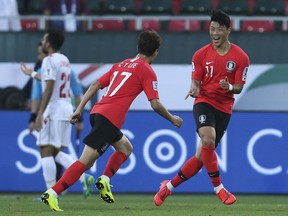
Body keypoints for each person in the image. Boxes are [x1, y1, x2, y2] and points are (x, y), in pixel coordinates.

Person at [39, 30, 183, 211]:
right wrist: (172, 119)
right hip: (109, 119)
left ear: (138, 47)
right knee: (85, 162)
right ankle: (52, 193)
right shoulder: (147, 70)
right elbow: (155, 104)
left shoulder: (120, 64)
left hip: (97, 113)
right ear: (155, 52)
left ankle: (105, 179)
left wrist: (79, 109)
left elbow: (95, 84)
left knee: (126, 147)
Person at [154, 9, 250, 206]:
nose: (214, 33)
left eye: (219, 29)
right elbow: (196, 83)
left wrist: (230, 87)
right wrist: (194, 89)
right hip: (204, 102)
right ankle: (219, 188)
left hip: (224, 108)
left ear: (228, 30)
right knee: (208, 139)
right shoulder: (200, 55)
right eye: (212, 28)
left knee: (201, 157)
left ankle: (168, 187)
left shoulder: (241, 57)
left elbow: (239, 87)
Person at [20, 28, 94, 199]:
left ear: (48, 43)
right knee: (55, 152)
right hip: (66, 108)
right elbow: (49, 79)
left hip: (53, 110)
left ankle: (51, 193)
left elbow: (50, 86)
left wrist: (39, 114)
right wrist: (32, 73)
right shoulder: (64, 60)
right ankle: (83, 177)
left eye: (44, 39)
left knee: (45, 151)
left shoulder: (48, 60)